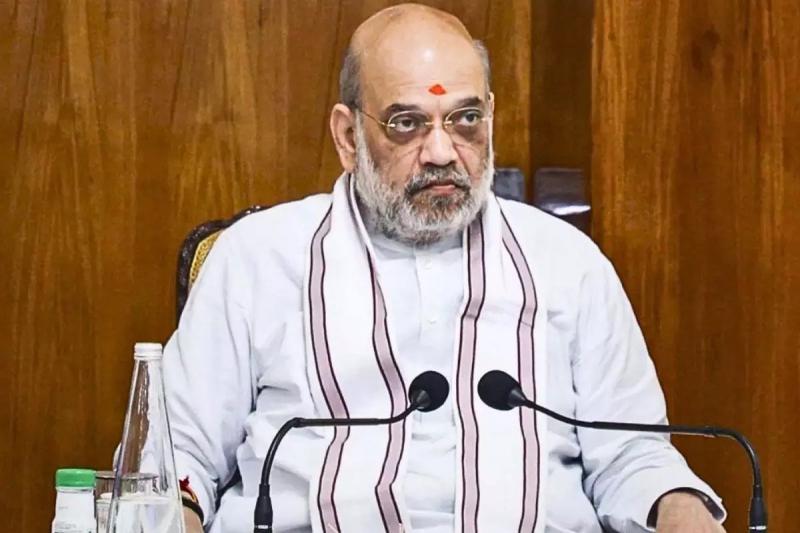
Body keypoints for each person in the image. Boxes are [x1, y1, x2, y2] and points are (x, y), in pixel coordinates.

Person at [165, 4, 726, 532]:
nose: (441, 152)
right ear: (347, 136)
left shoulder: (567, 263)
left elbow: (632, 455)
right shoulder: (258, 258)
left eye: (465, 119)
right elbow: (177, 458)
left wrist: (680, 508)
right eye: (407, 123)